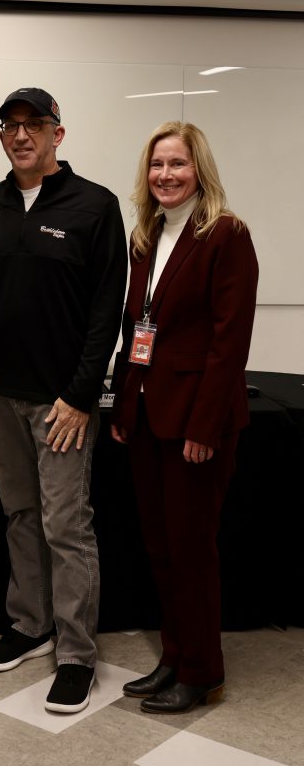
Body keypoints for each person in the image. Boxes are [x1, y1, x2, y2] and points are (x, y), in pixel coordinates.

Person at [0, 87, 127, 713]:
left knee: (66, 525)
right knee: (21, 516)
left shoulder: (95, 206)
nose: (22, 134)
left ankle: (77, 653)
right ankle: (31, 625)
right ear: (2, 135)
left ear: (60, 133)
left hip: (63, 404)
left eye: (36, 124)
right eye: (12, 125)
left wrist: (81, 395)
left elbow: (105, 310)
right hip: (1, 396)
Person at [111, 121, 258, 714]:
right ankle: (174, 656)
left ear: (200, 170)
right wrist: (125, 403)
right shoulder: (146, 235)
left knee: (192, 549)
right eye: (156, 166)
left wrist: (204, 426)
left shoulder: (226, 235)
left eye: (177, 164)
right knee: (162, 546)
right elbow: (137, 329)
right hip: (147, 416)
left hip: (196, 424)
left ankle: (203, 672)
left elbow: (230, 343)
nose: (165, 176)